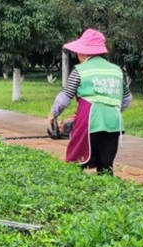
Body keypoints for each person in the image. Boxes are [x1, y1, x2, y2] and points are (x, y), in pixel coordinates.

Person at [48, 28, 131, 175]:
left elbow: (65, 96)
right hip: (113, 123)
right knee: (106, 166)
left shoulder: (80, 70)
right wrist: (111, 110)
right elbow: (126, 98)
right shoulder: (116, 70)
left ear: (84, 52)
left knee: (76, 163)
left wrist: (53, 114)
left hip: (90, 122)